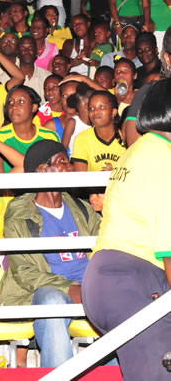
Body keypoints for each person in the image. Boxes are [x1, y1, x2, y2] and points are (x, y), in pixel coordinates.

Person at [83, 79, 171, 380]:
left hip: (108, 279)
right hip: (135, 282)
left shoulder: (137, 151)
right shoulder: (165, 158)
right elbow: (169, 246)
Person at [0, 140, 101, 368]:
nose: (71, 167)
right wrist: (69, 288)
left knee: (123, 292)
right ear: (43, 170)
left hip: (91, 285)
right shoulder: (19, 215)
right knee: (52, 300)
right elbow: (25, 272)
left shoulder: (82, 209)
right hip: (49, 289)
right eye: (63, 162)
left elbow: (106, 248)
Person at [0, 85, 60, 172]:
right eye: (10, 102)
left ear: (34, 107)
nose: (14, 106)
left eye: (21, 101)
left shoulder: (50, 137)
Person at [71, 91, 125, 171]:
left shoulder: (125, 136)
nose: (95, 111)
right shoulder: (82, 139)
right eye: (91, 108)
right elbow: (81, 179)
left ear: (113, 112)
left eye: (102, 107)